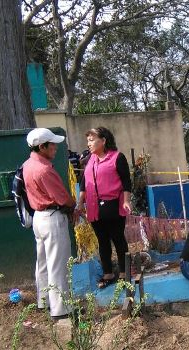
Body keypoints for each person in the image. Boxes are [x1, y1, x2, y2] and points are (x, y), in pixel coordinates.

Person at [23, 128, 76, 320]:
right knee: (58, 265)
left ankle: (44, 302)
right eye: (51, 144)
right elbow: (63, 198)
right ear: (41, 146)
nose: (55, 147)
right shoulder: (45, 169)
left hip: (38, 217)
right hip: (52, 217)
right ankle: (61, 310)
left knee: (43, 263)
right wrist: (73, 205)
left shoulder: (28, 165)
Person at [76, 127, 132, 289]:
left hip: (113, 204)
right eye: (88, 140)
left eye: (92, 140)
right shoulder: (89, 160)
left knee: (118, 238)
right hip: (94, 207)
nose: (89, 143)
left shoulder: (117, 158)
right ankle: (108, 273)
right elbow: (83, 184)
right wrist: (80, 203)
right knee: (102, 241)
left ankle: (124, 272)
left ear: (104, 140)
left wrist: (126, 200)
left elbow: (126, 181)